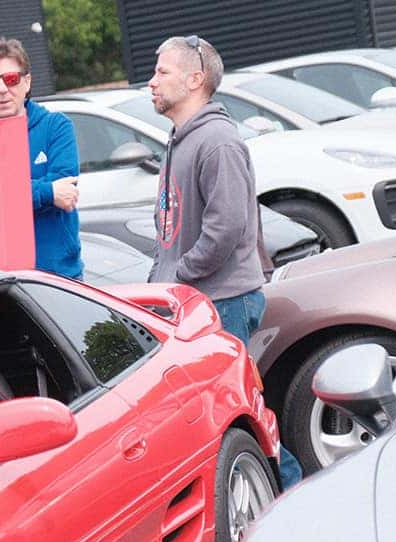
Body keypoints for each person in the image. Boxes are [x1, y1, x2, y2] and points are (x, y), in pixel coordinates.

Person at [147, 35, 302, 488]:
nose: (152, 82)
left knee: (239, 415)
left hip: (224, 302)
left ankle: (293, 498)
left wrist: (179, 277)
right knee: (228, 415)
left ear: (195, 79)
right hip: (198, 302)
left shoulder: (216, 142)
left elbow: (226, 229)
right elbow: (174, 227)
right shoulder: (182, 139)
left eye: (163, 72)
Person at [0, 37, 83, 280]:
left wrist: (4, 195)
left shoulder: (57, 127)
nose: (1, 89)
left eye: (11, 79)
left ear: (27, 81)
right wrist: (48, 192)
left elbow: (66, 186)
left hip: (59, 274)